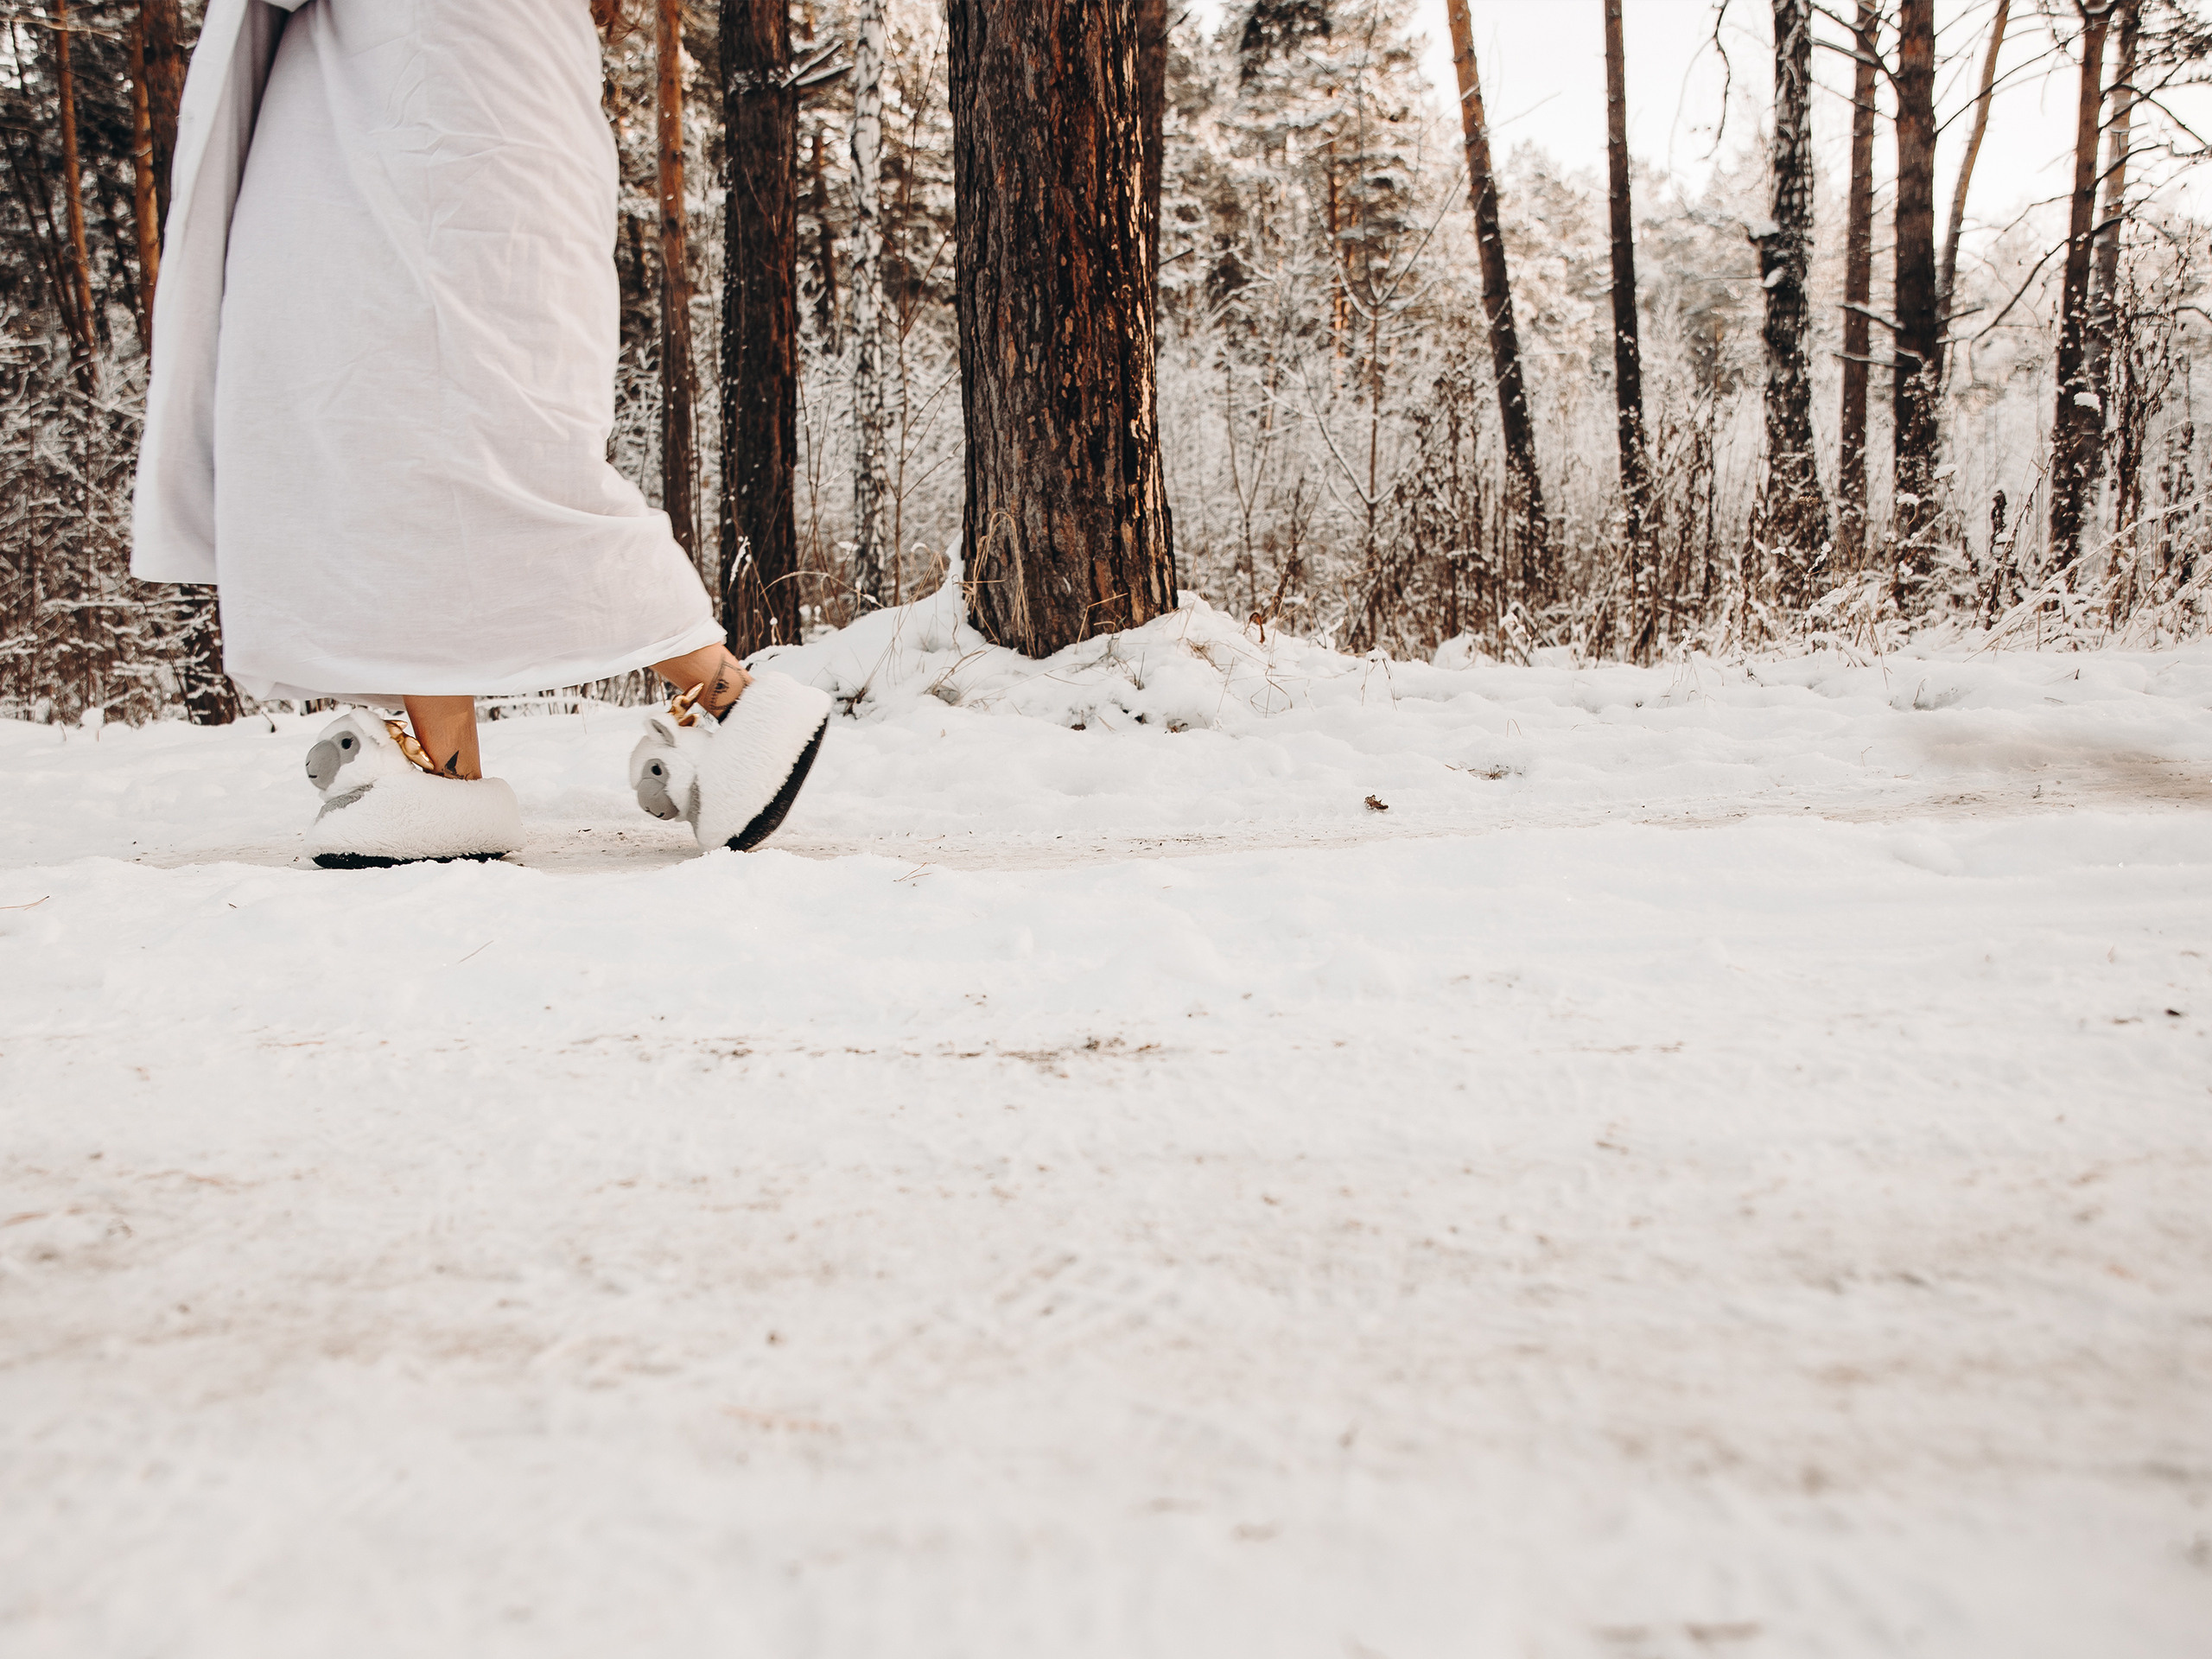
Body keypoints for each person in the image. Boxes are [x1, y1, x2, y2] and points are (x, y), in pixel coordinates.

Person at [131, 0, 828, 868]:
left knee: (473, 442)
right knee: (390, 446)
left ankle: (728, 693)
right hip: (412, 108)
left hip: (433, 116)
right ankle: (449, 777)